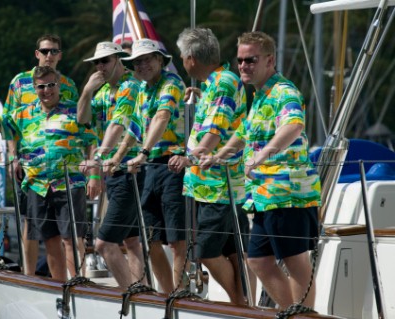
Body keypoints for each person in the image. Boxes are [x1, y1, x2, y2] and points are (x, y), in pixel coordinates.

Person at [213, 31, 321, 308]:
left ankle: (303, 316)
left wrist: (260, 156)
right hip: (264, 195)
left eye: (251, 59)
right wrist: (217, 154)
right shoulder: (261, 96)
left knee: (295, 260)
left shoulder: (284, 92)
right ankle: (289, 311)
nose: (243, 66)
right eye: (239, 60)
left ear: (270, 60)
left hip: (287, 192)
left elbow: (293, 125)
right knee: (258, 260)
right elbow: (245, 133)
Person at [0, 66, 99, 281]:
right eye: (41, 86)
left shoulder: (74, 111)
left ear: (59, 85)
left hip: (68, 184)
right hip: (37, 186)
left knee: (72, 238)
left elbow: (91, 142)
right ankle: (59, 286)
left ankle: (78, 284)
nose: (47, 90)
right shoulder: (23, 113)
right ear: (34, 88)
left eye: (51, 85)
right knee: (50, 240)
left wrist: (94, 175)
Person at [168, 27, 248, 304]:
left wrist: (190, 158)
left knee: (207, 251)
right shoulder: (217, 84)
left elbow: (214, 131)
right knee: (232, 250)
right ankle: (243, 304)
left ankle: (239, 304)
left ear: (191, 58)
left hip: (218, 185)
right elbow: (222, 119)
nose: (181, 60)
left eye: (181, 56)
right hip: (212, 186)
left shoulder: (223, 83)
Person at [106, 39, 187, 293]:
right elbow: (136, 127)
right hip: (150, 167)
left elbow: (162, 117)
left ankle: (180, 294)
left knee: (176, 240)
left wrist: (142, 152)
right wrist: (116, 157)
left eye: (148, 59)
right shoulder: (142, 88)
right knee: (149, 239)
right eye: (137, 61)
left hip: (174, 166)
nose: (142, 65)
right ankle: (165, 294)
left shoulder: (171, 83)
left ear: (160, 60)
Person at [3, 34, 79, 276]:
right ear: (37, 54)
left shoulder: (68, 84)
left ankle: (72, 280)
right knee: (30, 221)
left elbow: (79, 125)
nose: (49, 55)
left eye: (54, 51)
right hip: (29, 165)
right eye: (45, 51)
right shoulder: (19, 82)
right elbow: (8, 123)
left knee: (67, 232)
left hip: (62, 169)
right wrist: (13, 156)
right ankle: (29, 275)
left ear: (60, 55)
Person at [77, 41, 146, 289]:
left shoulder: (130, 86)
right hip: (117, 174)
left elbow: (119, 123)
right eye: (96, 62)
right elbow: (82, 120)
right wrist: (86, 91)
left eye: (104, 61)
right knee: (132, 241)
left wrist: (97, 159)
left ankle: (130, 292)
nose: (100, 67)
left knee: (104, 244)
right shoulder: (104, 91)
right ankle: (141, 290)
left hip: (131, 171)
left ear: (118, 60)